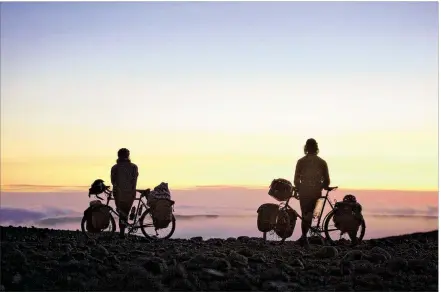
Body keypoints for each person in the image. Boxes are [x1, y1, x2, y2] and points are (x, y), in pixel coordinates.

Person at [293, 138, 330, 248]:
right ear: (316, 148)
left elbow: (296, 179)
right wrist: (322, 186)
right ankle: (304, 237)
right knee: (310, 214)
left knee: (305, 214)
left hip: (304, 192)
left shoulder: (301, 161)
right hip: (316, 192)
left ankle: (304, 238)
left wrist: (299, 188)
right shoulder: (322, 162)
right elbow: (327, 180)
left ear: (306, 148)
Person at [111, 148, 139, 238]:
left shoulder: (115, 167)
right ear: (128, 156)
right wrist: (132, 191)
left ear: (118, 156)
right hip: (130, 194)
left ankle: (122, 233)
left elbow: (113, 181)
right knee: (125, 212)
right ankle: (123, 232)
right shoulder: (134, 167)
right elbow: (134, 181)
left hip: (118, 194)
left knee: (121, 213)